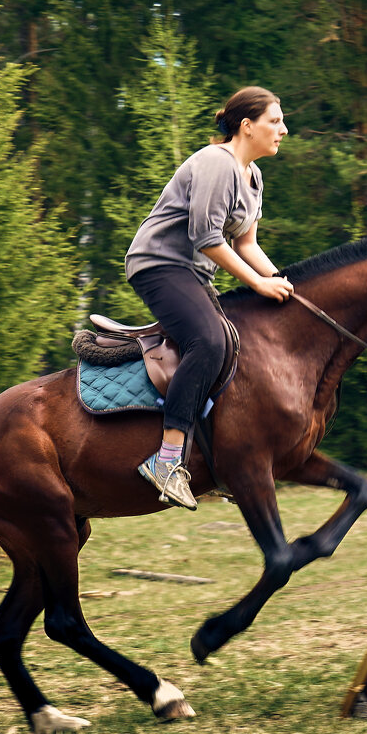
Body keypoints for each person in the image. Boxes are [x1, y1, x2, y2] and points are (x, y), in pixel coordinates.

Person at [125, 86, 294, 510]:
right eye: (275, 121)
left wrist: (283, 282)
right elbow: (208, 239)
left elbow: (247, 244)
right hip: (159, 265)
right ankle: (165, 461)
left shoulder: (253, 178)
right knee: (211, 342)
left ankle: (219, 462)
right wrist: (257, 285)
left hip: (194, 274)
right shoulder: (217, 164)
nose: (283, 130)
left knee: (240, 345)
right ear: (247, 126)